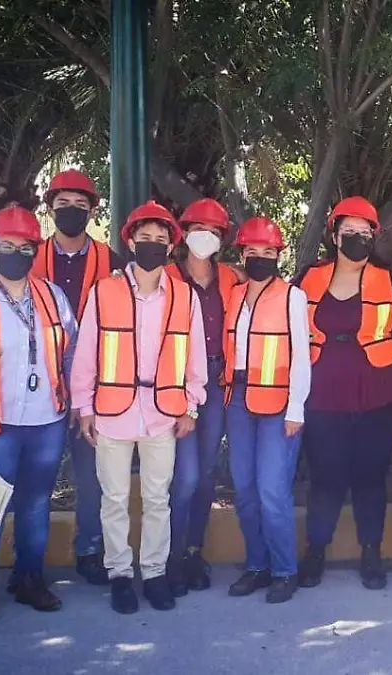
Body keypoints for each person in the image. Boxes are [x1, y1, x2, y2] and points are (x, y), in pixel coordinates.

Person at [70, 200, 207, 615]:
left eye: (160, 239)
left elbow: (195, 358)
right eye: (144, 237)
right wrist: (84, 406)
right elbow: (86, 352)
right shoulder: (104, 291)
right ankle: (119, 574)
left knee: (157, 498)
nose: (152, 245)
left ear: (171, 247)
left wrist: (192, 406)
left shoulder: (184, 296)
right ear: (130, 242)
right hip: (112, 411)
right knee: (113, 498)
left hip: (163, 411)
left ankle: (154, 573)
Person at [0, 206, 78, 622]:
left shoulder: (53, 297)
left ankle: (29, 579)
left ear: (35, 252)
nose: (16, 255)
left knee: (36, 504)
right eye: (7, 246)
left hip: (47, 420)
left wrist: (77, 403)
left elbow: (72, 352)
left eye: (25, 248)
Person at [295, 197, 392, 591]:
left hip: (379, 393)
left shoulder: (390, 279)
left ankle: (371, 552)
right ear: (334, 236)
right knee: (325, 475)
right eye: (349, 232)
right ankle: (316, 550)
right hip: (321, 392)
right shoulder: (310, 277)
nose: (357, 238)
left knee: (370, 476)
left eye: (365, 233)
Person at [31, 169, 123, 586]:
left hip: (95, 384)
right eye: (63, 204)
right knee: (37, 478)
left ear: (92, 211)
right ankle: (28, 561)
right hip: (40, 381)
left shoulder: (112, 260)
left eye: (80, 205)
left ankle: (89, 550)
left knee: (91, 477)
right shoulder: (30, 256)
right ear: (50, 208)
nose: (71, 211)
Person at [223, 217, 311, 605]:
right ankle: (257, 565)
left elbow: (301, 356)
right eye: (253, 251)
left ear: (278, 256)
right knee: (244, 489)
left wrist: (296, 409)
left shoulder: (293, 296)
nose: (260, 257)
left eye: (268, 251)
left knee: (272, 490)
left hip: (278, 402)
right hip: (238, 398)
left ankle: (284, 570)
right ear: (242, 254)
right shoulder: (234, 294)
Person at [163, 197, 244, 596]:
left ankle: (194, 552)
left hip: (217, 380)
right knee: (186, 476)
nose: (205, 237)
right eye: (198, 229)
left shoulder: (231, 278)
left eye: (213, 232)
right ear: (183, 233)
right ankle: (172, 556)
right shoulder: (165, 276)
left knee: (206, 472)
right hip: (176, 382)